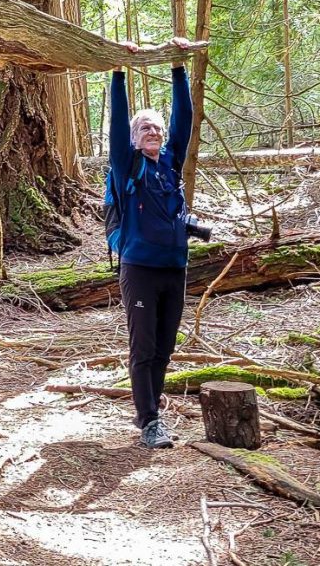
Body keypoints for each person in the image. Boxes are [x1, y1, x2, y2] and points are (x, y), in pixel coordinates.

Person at [109, 41, 197, 449]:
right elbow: (115, 127)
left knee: (164, 346)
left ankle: (153, 414)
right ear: (134, 136)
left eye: (157, 128)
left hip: (174, 267)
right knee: (143, 346)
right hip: (140, 269)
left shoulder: (169, 163)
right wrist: (119, 73)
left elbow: (185, 121)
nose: (155, 132)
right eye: (145, 127)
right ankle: (148, 421)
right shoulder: (128, 164)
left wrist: (179, 68)